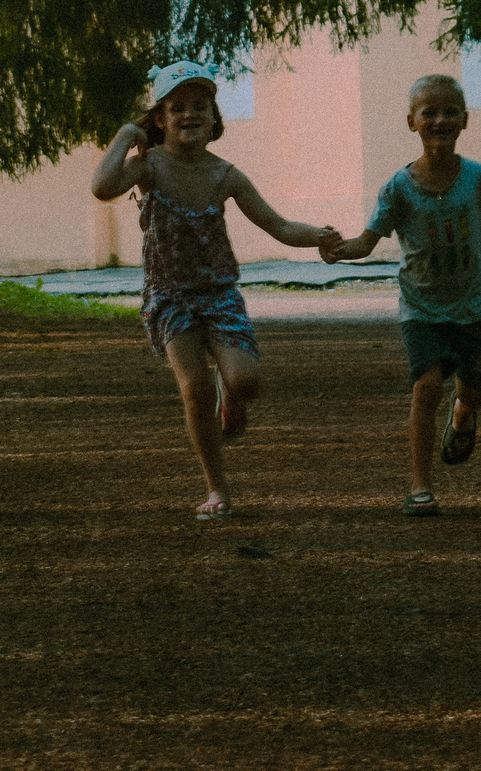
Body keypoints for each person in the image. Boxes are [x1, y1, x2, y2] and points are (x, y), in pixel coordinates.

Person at [93, 60, 342, 520]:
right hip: (169, 295)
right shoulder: (148, 167)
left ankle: (234, 399)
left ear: (214, 118)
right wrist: (128, 133)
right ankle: (217, 487)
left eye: (200, 106)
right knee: (194, 389)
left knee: (246, 380)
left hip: (218, 294)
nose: (190, 114)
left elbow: (279, 225)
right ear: (160, 119)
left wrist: (322, 237)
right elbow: (101, 187)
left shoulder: (226, 175)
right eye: (177, 107)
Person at [321, 74, 481, 517]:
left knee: (473, 391)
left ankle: (464, 414)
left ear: (465, 120)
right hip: (421, 307)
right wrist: (339, 251)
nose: (440, 120)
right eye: (429, 112)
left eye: (450, 111)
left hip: (475, 305)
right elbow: (367, 241)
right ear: (411, 121)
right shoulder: (398, 187)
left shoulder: (476, 177)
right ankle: (419, 486)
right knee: (426, 386)